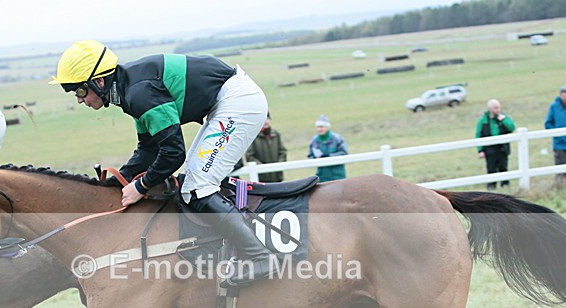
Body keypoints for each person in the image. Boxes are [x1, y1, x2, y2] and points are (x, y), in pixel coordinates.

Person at [51, 40, 273, 287]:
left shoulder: (139, 93)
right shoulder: (127, 90)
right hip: (225, 101)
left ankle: (259, 257)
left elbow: (173, 153)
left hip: (238, 103)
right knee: (192, 182)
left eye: (80, 91)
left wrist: (141, 186)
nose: (80, 100)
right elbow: (148, 148)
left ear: (99, 81)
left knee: (198, 186)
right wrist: (117, 183)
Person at [475, 99, 516, 190]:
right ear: (490, 108)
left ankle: (505, 186)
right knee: (491, 169)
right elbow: (478, 135)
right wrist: (480, 150)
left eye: (499, 107)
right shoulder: (483, 120)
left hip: (502, 148)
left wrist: (503, 120)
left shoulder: (503, 117)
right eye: (496, 108)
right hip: (489, 149)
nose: (498, 109)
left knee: (503, 167)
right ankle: (491, 187)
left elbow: (512, 127)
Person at [244, 112, 287, 182]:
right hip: (261, 178)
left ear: (270, 120)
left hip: (277, 176)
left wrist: (279, 165)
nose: (265, 121)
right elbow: (249, 156)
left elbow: (282, 151)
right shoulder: (253, 136)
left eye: (267, 118)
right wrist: (262, 168)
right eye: (263, 119)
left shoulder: (276, 134)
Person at [307, 115, 348, 182]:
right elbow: (310, 156)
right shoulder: (314, 141)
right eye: (318, 127)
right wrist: (316, 159)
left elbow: (344, 153)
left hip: (337, 175)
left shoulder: (337, 138)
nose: (319, 129)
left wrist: (329, 156)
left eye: (321, 127)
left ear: (327, 127)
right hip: (322, 176)